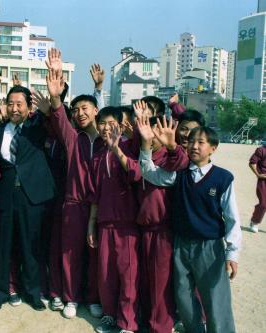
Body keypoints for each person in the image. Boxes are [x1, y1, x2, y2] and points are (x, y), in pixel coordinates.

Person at [138, 119, 242, 333]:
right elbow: (149, 173)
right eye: (191, 141)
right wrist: (146, 145)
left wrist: (232, 254)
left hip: (210, 247)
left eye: (201, 142)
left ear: (213, 148)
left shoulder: (223, 178)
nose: (194, 146)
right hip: (181, 244)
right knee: (183, 295)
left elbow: (232, 218)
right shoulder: (180, 175)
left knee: (214, 297)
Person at [0, 83, 55, 312]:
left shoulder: (37, 127)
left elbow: (54, 120)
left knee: (31, 247)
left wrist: (53, 103)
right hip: (5, 196)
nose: (14, 108)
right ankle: (0, 293)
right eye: (11, 103)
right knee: (3, 247)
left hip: (32, 197)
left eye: (19, 104)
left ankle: (34, 293)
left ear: (28, 107)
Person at [45, 49, 102, 318]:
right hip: (74, 205)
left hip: (103, 207)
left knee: (95, 255)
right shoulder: (73, 138)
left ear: (96, 111)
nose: (79, 113)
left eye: (85, 109)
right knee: (70, 253)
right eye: (76, 109)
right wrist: (56, 94)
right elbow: (59, 115)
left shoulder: (108, 142)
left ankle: (93, 296)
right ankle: (70, 297)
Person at [86, 106, 141, 333]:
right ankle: (110, 315)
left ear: (121, 124)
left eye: (111, 123)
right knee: (106, 273)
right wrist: (91, 223)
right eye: (102, 123)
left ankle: (127, 322)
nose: (106, 128)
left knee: (128, 274)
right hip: (104, 222)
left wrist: (117, 150)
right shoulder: (97, 157)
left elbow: (136, 175)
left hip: (127, 223)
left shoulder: (131, 148)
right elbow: (95, 193)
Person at [134, 115, 188, 333]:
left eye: (155, 130)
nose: (151, 134)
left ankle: (161, 327)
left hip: (163, 231)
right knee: (146, 281)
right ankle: (148, 322)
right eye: (147, 130)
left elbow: (179, 164)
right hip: (143, 229)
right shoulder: (142, 154)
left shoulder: (171, 157)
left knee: (160, 284)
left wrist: (171, 145)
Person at [249, 144, 266, 232]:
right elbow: (252, 163)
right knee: (263, 204)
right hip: (263, 180)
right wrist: (258, 174)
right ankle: (254, 222)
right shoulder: (261, 150)